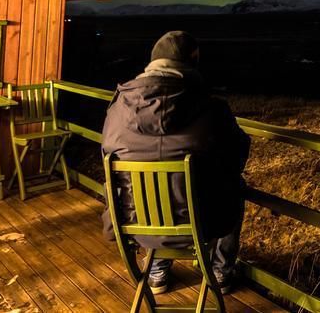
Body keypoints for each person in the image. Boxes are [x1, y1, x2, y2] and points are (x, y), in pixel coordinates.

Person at [102, 31, 249, 294]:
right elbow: (237, 157)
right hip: (201, 223)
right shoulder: (212, 109)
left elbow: (106, 156)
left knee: (148, 192)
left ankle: (156, 270)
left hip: (134, 223)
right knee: (235, 185)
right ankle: (220, 271)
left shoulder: (117, 110)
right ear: (192, 63)